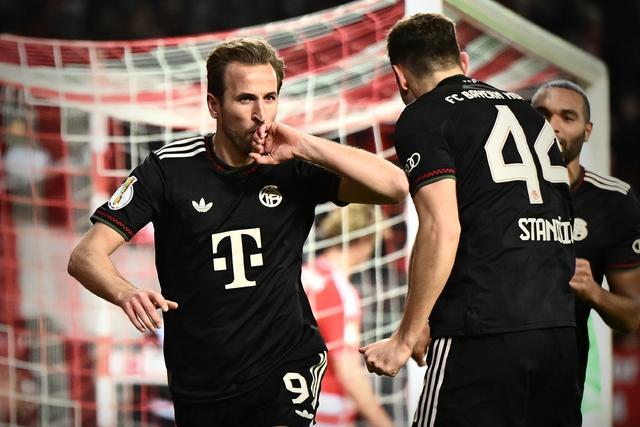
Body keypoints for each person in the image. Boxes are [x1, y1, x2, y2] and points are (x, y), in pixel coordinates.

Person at [67, 37, 408, 427]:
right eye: (246, 99)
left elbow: (395, 186)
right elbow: (85, 256)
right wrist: (125, 292)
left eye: (270, 98)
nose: (261, 114)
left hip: (285, 363)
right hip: (201, 379)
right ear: (214, 104)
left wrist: (303, 143)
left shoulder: (294, 163)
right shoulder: (169, 169)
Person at [359, 13, 579, 426]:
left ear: (400, 76)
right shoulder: (530, 114)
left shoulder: (425, 114)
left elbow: (441, 227)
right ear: (462, 60)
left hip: (482, 330)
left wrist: (404, 337)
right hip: (558, 331)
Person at [531, 80, 640, 409]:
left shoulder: (613, 201)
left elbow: (632, 316)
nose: (552, 126)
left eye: (567, 117)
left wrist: (593, 292)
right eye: (542, 115)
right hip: (491, 372)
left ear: (587, 131)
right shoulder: (493, 191)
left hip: (559, 382)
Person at [302, 204, 393, 427]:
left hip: (294, 402)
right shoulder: (339, 291)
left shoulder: (304, 275)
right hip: (325, 411)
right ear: (364, 240)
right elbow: (347, 369)